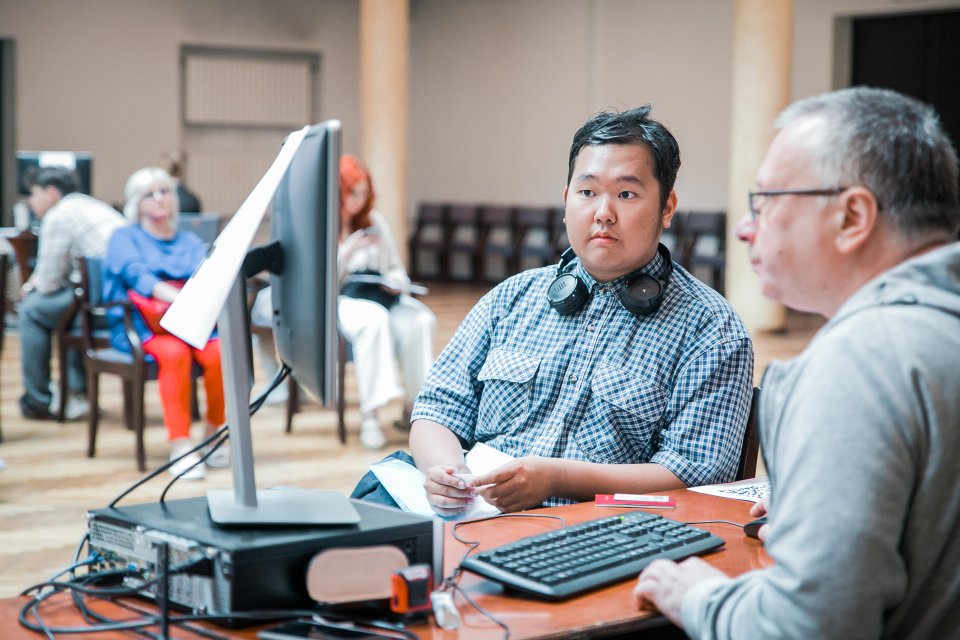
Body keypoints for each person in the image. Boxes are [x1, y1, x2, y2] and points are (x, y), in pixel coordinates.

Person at [633, 87, 960, 639]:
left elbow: (805, 629)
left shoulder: (858, 364)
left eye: (765, 202)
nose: (744, 227)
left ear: (852, 216)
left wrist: (699, 598)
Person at [409, 106, 754, 516]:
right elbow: (437, 409)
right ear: (565, 200)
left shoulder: (711, 329)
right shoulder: (511, 298)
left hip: (594, 534)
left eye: (626, 194)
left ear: (666, 207)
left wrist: (557, 479)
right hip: (469, 515)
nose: (603, 213)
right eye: (587, 192)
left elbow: (696, 471)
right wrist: (447, 473)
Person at [102, 167, 226, 480]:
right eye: (150, 194)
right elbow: (137, 276)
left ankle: (213, 433)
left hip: (191, 323)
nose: (159, 198)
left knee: (221, 353)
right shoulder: (123, 237)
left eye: (165, 191)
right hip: (142, 326)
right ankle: (181, 445)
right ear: (136, 203)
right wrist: (178, 297)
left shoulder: (189, 240)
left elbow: (206, 277)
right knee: (174, 354)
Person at [337, 154, 437, 449]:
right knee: (373, 322)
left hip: (381, 295)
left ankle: (416, 407)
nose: (360, 200)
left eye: (365, 193)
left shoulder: (374, 221)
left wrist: (396, 282)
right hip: (345, 299)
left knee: (420, 320)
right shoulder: (324, 225)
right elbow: (322, 279)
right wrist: (348, 249)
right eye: (354, 192)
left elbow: (394, 265)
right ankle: (371, 414)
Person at [18, 166, 125, 420]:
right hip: (125, 301)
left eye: (33, 194)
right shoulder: (92, 205)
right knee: (67, 308)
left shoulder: (59, 214)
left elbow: (48, 281)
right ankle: (76, 392)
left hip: (100, 304)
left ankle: (38, 400)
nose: (30, 202)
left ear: (51, 192)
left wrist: (27, 289)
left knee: (32, 311)